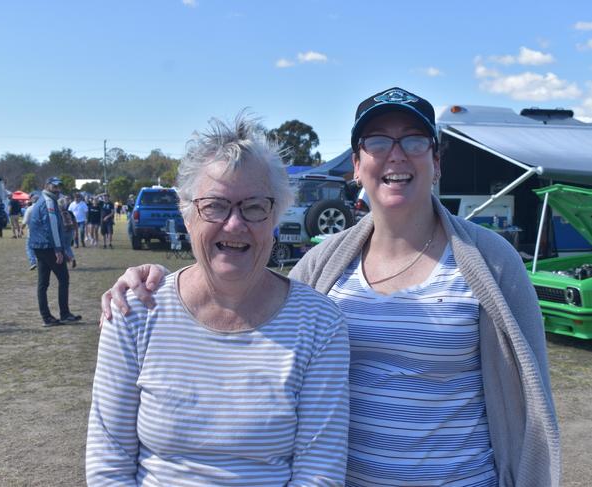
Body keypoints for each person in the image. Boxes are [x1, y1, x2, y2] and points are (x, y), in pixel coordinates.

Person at [102, 88, 560, 486]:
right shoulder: (323, 266)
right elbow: (254, 295)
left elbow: (532, 403)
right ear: (357, 166)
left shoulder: (491, 262)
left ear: (436, 161)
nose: (396, 154)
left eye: (414, 140)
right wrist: (149, 278)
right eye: (378, 142)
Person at [86, 114, 350, 485]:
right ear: (187, 214)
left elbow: (318, 473)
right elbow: (108, 464)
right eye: (215, 205)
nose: (234, 224)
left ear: (275, 215)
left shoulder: (320, 323)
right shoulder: (135, 312)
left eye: (254, 206)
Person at [28, 176, 82, 327]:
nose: (58, 189)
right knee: (63, 279)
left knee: (43, 283)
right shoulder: (49, 202)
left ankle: (47, 317)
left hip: (39, 246)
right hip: (48, 246)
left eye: (59, 186)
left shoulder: (42, 200)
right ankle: (64, 314)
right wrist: (59, 249)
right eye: (55, 186)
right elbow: (52, 227)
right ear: (47, 185)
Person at [58, 196, 78, 268]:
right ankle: (71, 259)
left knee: (61, 248)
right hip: (70, 231)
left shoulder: (57, 213)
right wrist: (76, 232)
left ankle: (69, 259)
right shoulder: (70, 212)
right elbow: (75, 222)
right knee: (67, 247)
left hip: (62, 232)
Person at [21, 195, 39, 270]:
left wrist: (21, 229)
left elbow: (25, 222)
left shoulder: (29, 209)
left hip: (31, 232)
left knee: (29, 248)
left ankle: (33, 262)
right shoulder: (42, 208)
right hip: (42, 233)